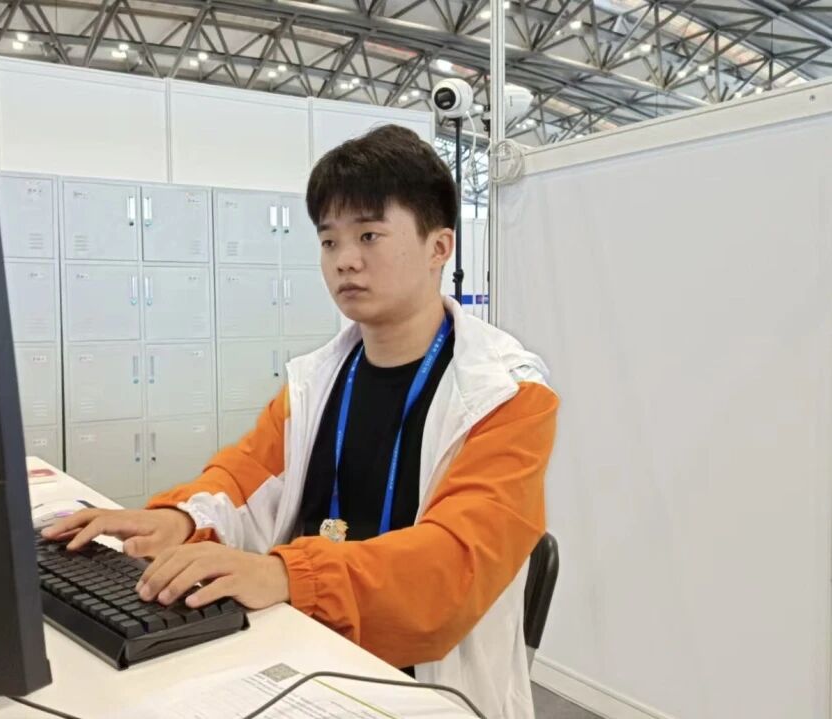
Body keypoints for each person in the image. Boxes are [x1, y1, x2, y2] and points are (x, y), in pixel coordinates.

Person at [44, 124, 558, 718]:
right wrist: (177, 519)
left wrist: (288, 575)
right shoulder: (317, 379)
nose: (345, 261)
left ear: (439, 247)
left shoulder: (506, 395)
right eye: (329, 241)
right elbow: (243, 480)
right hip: (303, 652)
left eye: (368, 235)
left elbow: (451, 570)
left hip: (426, 687)